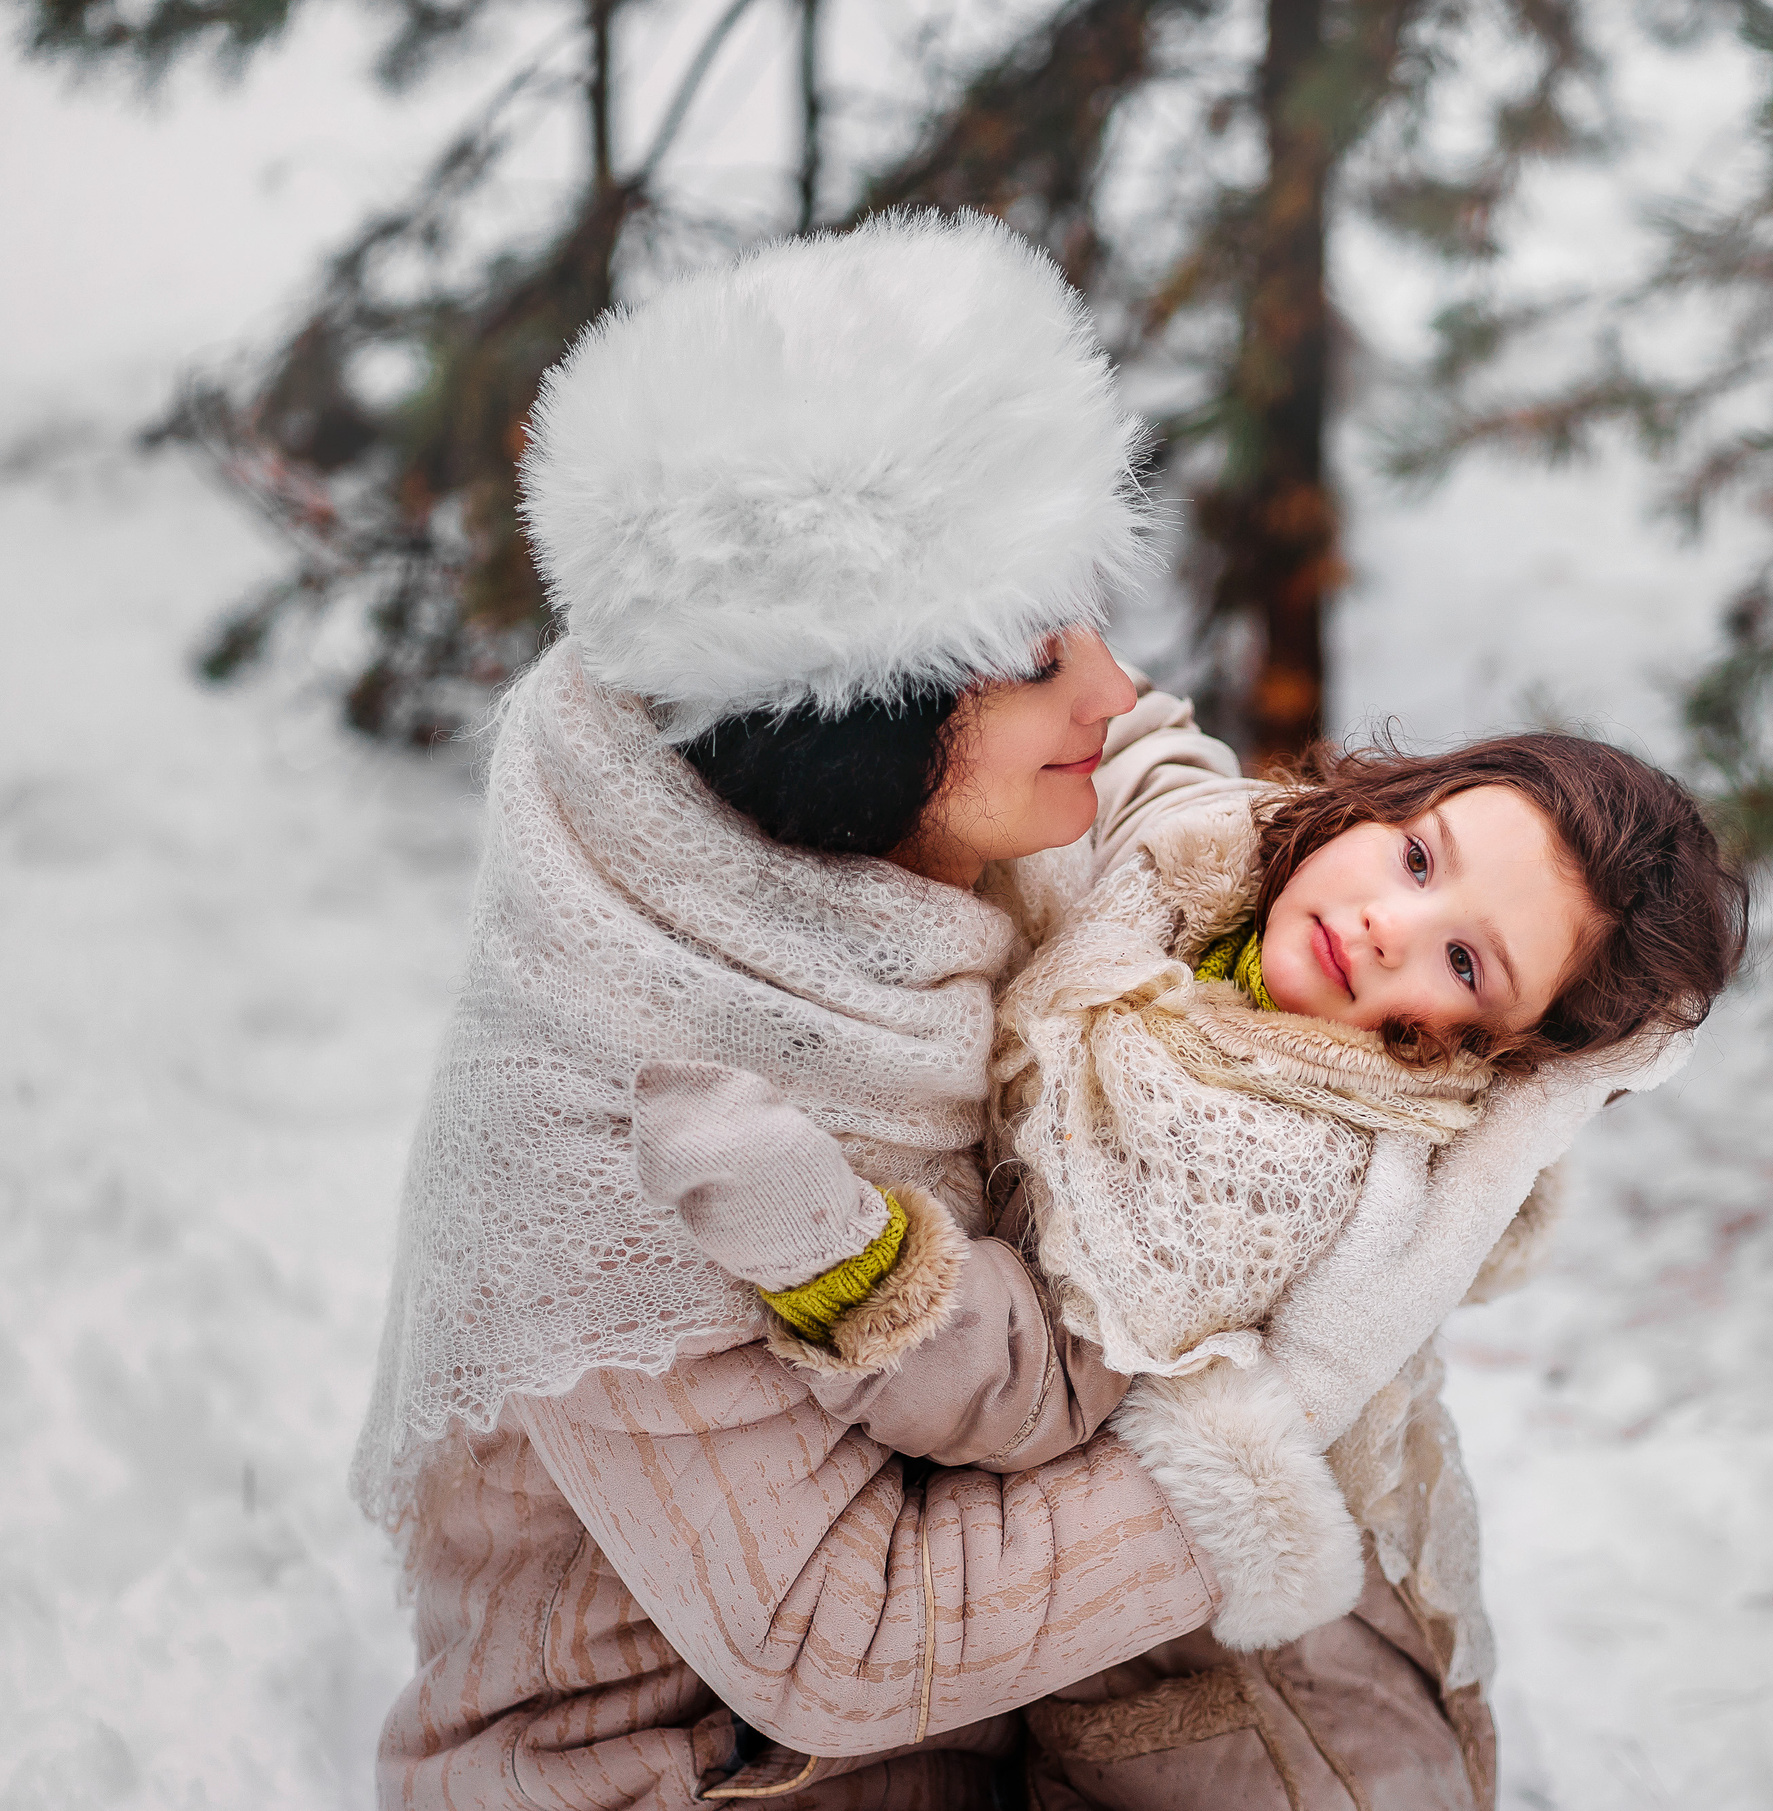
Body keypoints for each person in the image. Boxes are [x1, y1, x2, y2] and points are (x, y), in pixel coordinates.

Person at [354, 212, 1226, 1809]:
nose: (1114, 692)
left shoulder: (922, 898)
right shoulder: (623, 1116)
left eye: (1085, 618)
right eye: (1037, 657)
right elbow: (848, 1634)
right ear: (853, 723)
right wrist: (1258, 1449)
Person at [639, 699, 1749, 1811]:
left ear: (1493, 1050)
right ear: (1376, 799)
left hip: (1262, 1717)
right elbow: (1157, 776)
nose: (1384, 924)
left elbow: (1037, 1387)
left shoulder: (1271, 1165)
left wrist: (836, 1249)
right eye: (1417, 856)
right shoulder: (1228, 869)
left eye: (1461, 960)